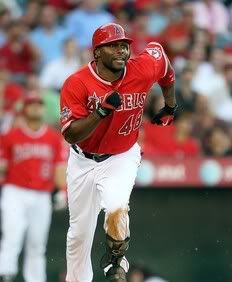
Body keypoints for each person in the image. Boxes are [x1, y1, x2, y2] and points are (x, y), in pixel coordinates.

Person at [60, 23, 177, 282]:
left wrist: (170, 105)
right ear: (97, 53)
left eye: (124, 45)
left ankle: (115, 264)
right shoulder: (77, 82)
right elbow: (70, 134)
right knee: (78, 234)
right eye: (113, 46)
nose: (121, 51)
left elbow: (164, 62)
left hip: (122, 155)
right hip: (82, 159)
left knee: (116, 207)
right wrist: (100, 112)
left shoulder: (141, 68)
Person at [0, 93, 67, 282]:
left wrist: (62, 191)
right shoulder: (9, 136)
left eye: (39, 104)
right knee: (12, 235)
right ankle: (6, 274)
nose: (36, 107)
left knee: (37, 243)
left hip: (41, 195)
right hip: (15, 191)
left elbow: (59, 168)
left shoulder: (53, 138)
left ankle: (35, 279)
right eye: (32, 104)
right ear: (25, 110)